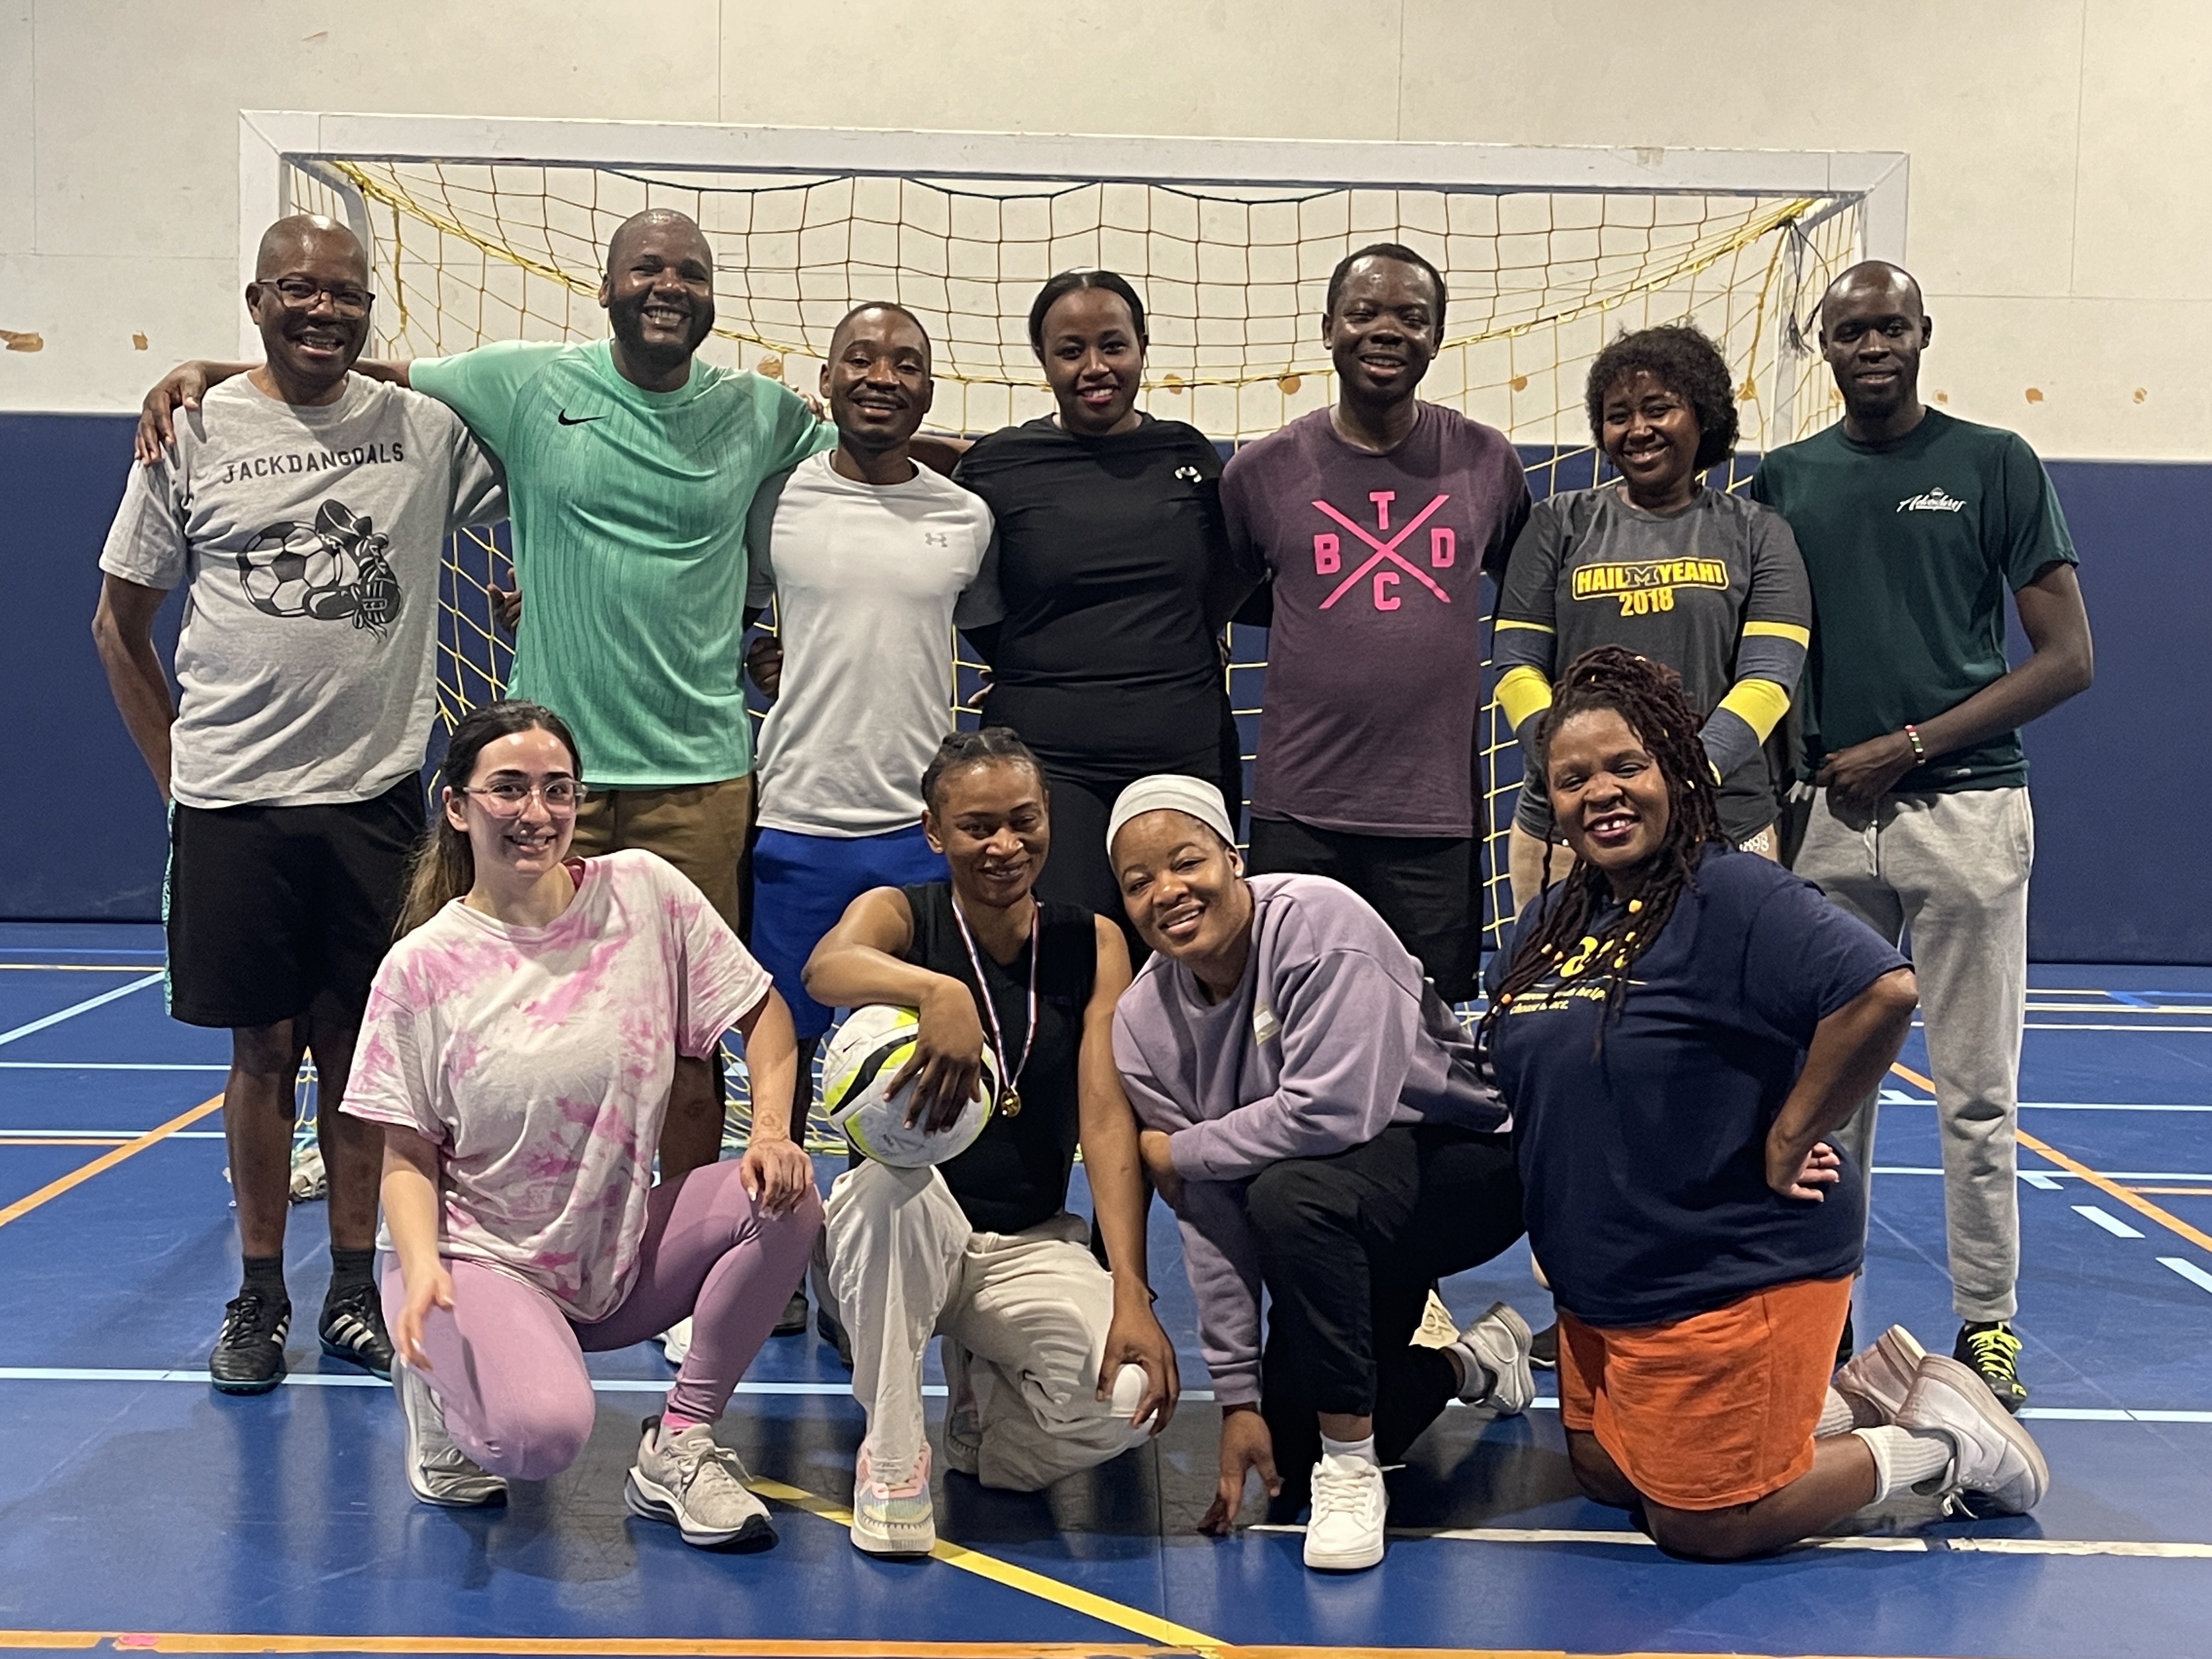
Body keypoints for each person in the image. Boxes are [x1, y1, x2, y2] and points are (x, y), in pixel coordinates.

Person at [137, 207, 836, 1194]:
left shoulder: (760, 412)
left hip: (700, 777)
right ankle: (499, 1215)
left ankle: (673, 1239)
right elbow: (350, 366)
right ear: (605, 287)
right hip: (544, 779)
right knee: (504, 1011)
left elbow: (869, 454)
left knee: (689, 1039)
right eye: (646, 267)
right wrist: (212, 371)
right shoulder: (523, 381)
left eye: (691, 271)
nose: (668, 286)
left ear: (714, 296)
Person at [1480, 645, 2047, 1560]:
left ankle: (1943, 1442)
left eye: (1626, 766)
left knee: (1702, 1521)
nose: (1602, 793)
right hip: (1608, 1285)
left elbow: (1882, 991)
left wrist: (1791, 1133)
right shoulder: (1549, 928)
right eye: (1573, 778)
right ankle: (1845, 1401)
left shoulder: (1730, 894)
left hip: (1729, 1263)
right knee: (1605, 1473)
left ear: (1676, 771)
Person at [92, 215, 505, 1393]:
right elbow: (117, 624)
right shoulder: (193, 432)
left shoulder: (424, 431)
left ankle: (352, 1291)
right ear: (257, 298)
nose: (322, 310)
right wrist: (180, 780)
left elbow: (552, 456)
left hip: (374, 804)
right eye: (297, 290)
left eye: (344, 293)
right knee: (261, 1050)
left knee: (362, 1055)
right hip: (235, 806)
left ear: (369, 306)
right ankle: (260, 1293)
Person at [342, 701, 822, 1545]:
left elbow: (765, 1017)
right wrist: (419, 1273)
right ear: (457, 807)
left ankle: (679, 1443)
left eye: (557, 789)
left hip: (612, 1251)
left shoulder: (643, 894)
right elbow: (407, 1158)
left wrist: (773, 1134)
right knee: (540, 1439)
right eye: (508, 789)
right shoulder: (421, 969)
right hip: (474, 1259)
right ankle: (450, 1394)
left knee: (783, 1202)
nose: (537, 812)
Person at [1751, 261, 2095, 1410]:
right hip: (1826, 821)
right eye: (1850, 331)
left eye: (1890, 326)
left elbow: (2068, 659)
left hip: (1968, 811)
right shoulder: (1787, 478)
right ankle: (1823, 1310)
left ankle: (1987, 1321)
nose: (1872, 346)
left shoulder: (1995, 462)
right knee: (1825, 1093)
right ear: (1825, 346)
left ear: (1923, 333)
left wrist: (1909, 744)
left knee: (1976, 1091)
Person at [1109, 774, 1533, 1575]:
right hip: (1336, 1208)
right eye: (1139, 882)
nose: (1167, 891)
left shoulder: (1319, 922)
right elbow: (1208, 1212)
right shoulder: (1140, 1025)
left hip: (1467, 1163)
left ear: (1234, 859)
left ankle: (1351, 1469)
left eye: (1187, 862)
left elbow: (1334, 1113)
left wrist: (1179, 1150)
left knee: (1289, 1192)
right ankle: (1475, 1360)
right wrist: (1237, 1397)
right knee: (1286, 1450)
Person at [800, 728, 1179, 1557]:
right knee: (887, 1185)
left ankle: (984, 1430)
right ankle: (892, 1462)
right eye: (977, 827)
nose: (1005, 845)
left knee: (1127, 1402)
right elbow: (826, 968)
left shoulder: (1093, 941)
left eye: (1023, 820)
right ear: (935, 832)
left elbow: (1106, 1121)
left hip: (1028, 1241)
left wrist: (1132, 1292)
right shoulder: (904, 914)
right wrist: (938, 991)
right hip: (900, 1238)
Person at [1221, 242, 1530, 1001]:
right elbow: (1231, 597)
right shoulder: (1260, 473)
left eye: (1410, 317)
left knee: (1428, 1028)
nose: (1386, 331)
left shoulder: (1487, 463)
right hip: (1301, 811)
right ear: (1328, 328)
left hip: (1433, 815)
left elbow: (1529, 596)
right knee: (1290, 1020)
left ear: (1438, 338)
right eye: (1363, 313)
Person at [740, 302, 995, 1092]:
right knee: (779, 1056)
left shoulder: (967, 517)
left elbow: (1003, 638)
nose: (881, 377)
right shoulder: (775, 499)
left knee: (901, 1065)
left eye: (905, 364)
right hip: (797, 821)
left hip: (918, 832)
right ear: (826, 380)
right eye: (860, 358)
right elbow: (718, 618)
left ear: (929, 393)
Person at [953, 272, 1250, 946]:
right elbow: (960, 589)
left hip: (1181, 746)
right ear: (1043, 359)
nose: (1095, 367)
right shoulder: (999, 466)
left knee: (1189, 951)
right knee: (1071, 956)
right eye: (1071, 350)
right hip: (1050, 759)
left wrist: (1189, 641)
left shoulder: (1187, 455)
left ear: (1142, 345)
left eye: (1113, 346)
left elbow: (1226, 578)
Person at [1496, 322, 1810, 912]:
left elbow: (1769, 681)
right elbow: (1516, 669)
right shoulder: (1558, 524)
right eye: (1619, 416)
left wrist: (1678, 777)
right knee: (1566, 973)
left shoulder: (1758, 532)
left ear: (1703, 416)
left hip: (1723, 821)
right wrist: (1580, 769)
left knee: (1722, 976)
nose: (1638, 430)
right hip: (1573, 827)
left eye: (1659, 409)